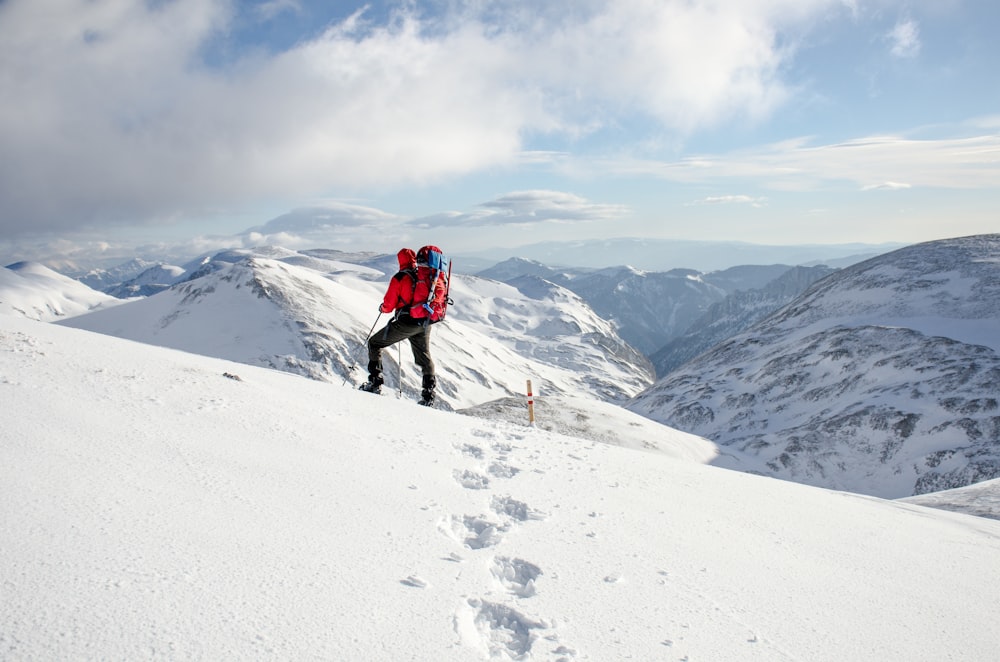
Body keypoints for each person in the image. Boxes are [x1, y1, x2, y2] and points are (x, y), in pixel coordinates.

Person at [360, 248, 437, 406]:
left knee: (374, 343)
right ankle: (428, 395)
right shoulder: (421, 275)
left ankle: (375, 382)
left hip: (407, 323)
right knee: (424, 356)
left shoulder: (401, 277)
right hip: (424, 322)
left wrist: (383, 308)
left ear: (400, 261)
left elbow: (389, 305)